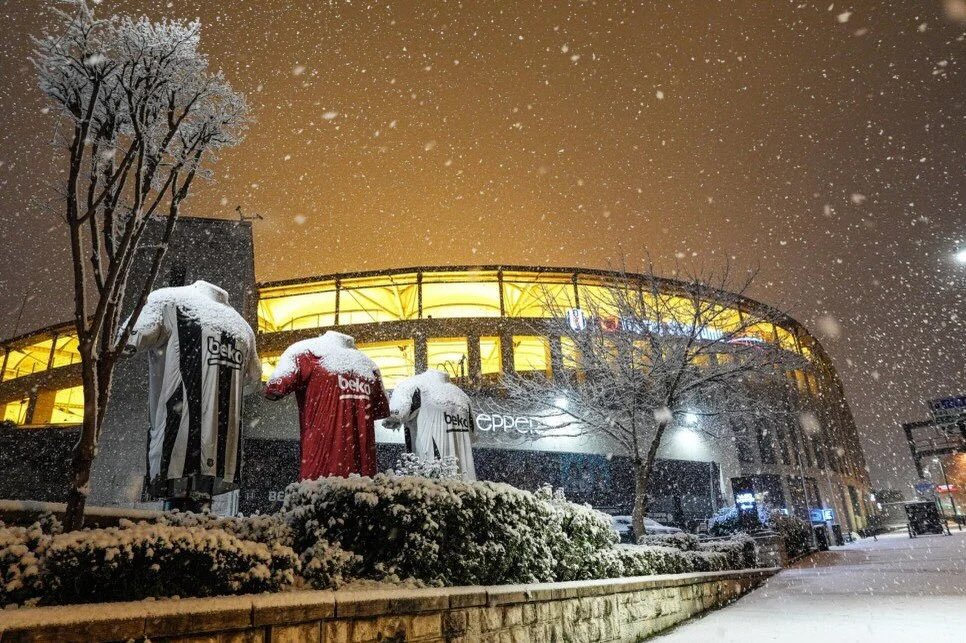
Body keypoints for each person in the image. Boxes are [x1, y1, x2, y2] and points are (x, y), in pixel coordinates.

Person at [124, 280, 260, 511]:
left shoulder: (169, 300)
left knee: (179, 519)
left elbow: (124, 341)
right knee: (196, 516)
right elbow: (253, 379)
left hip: (179, 435)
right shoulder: (242, 328)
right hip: (221, 447)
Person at [265, 331, 389, 480]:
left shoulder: (304, 352)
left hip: (320, 478)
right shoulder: (370, 368)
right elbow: (380, 409)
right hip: (363, 482)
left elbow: (274, 386)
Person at [384, 369, 476, 481]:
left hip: (429, 483)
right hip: (467, 486)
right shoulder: (464, 398)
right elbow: (473, 436)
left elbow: (392, 418)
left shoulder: (412, 386)